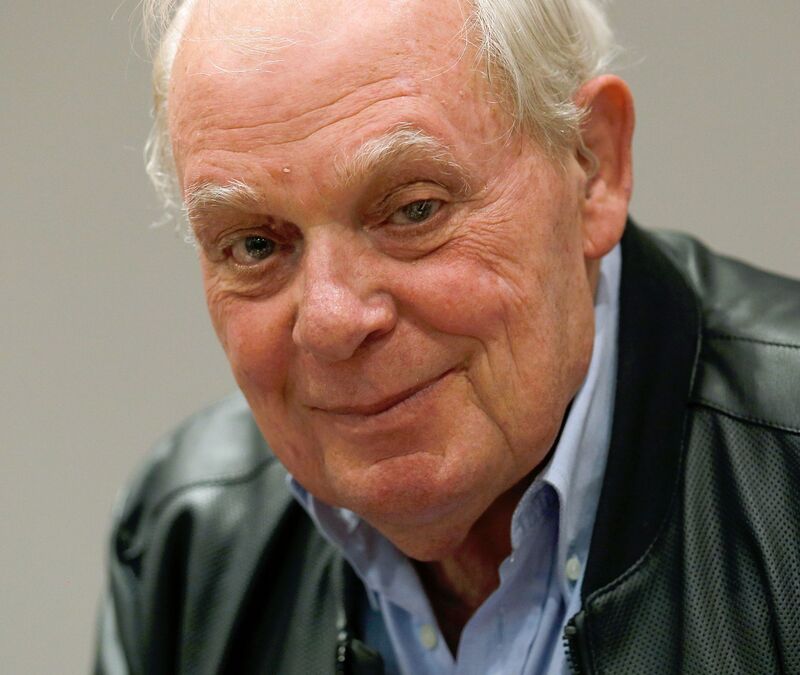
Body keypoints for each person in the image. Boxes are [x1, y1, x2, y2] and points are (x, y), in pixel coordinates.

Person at [95, 0, 800, 673]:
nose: (333, 322)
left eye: (413, 209)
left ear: (592, 166)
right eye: (255, 245)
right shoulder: (187, 540)